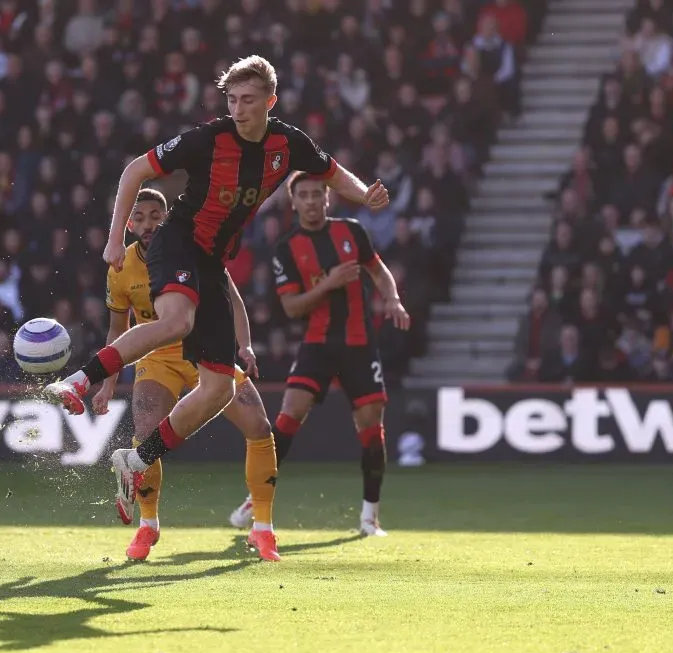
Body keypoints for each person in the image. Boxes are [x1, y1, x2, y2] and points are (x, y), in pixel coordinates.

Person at [43, 55, 390, 561]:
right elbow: (135, 169)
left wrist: (365, 196)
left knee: (219, 388)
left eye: (248, 100)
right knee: (175, 320)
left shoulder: (287, 143)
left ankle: (138, 460)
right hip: (178, 242)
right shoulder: (208, 137)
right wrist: (115, 239)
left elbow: (335, 173)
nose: (238, 108)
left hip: (211, 261)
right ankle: (80, 378)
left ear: (271, 101)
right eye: (232, 99)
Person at [91, 188, 279, 561]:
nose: (148, 224)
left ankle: (263, 530)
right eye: (140, 217)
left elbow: (231, 296)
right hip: (156, 358)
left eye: (156, 216)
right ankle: (148, 527)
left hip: (205, 349)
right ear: (128, 224)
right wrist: (107, 383)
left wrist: (245, 345)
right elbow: (118, 330)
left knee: (259, 426)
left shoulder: (193, 248)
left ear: (168, 218)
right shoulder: (120, 269)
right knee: (145, 435)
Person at [228, 172, 410, 537]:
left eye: (317, 194)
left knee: (372, 425)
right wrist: (329, 283)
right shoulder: (287, 248)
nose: (311, 200)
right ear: (293, 203)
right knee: (289, 414)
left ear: (328, 197)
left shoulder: (352, 232)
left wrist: (392, 297)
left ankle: (369, 517)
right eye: (304, 195)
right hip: (318, 344)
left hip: (360, 344)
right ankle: (257, 497)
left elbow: (379, 270)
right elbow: (292, 307)